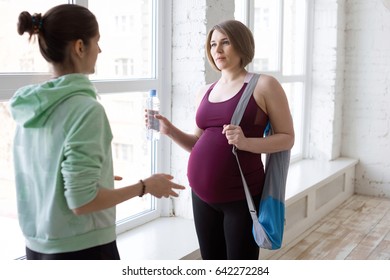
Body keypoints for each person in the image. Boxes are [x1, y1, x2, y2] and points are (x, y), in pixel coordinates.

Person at [10, 4, 185, 260]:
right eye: (97, 42)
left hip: (37, 247)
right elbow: (82, 203)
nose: (100, 50)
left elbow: (44, 170)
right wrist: (146, 186)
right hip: (80, 249)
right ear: (80, 47)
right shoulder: (85, 109)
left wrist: (96, 176)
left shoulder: (31, 107)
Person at [148, 20, 294, 260]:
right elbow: (197, 143)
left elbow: (287, 138)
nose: (217, 50)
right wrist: (169, 130)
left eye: (225, 42)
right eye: (213, 44)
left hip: (240, 199)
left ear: (242, 44)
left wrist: (247, 143)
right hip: (201, 197)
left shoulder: (265, 85)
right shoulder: (204, 91)